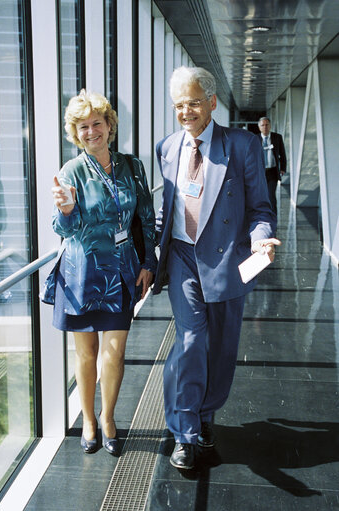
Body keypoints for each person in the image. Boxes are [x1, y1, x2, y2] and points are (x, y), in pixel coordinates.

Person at [152, 66, 281, 470]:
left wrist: (261, 237)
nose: (185, 111)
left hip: (227, 260)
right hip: (183, 257)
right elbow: (167, 210)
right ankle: (185, 430)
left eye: (192, 102)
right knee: (191, 341)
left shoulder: (241, 145)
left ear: (211, 102)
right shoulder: (167, 147)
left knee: (221, 350)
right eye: (178, 105)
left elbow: (261, 208)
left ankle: (205, 414)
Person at [41, 90, 157, 455]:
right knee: (87, 354)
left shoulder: (132, 166)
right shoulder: (71, 171)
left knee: (115, 352)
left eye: (97, 123)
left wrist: (148, 262)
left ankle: (108, 417)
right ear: (76, 133)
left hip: (121, 270)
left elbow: (146, 217)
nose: (91, 131)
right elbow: (63, 230)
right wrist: (66, 209)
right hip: (81, 273)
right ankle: (88, 419)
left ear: (109, 125)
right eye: (83, 126)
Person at [257, 116, 287, 214]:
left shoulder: (277, 137)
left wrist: (283, 168)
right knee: (260, 196)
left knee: (271, 195)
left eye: (267, 125)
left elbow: (282, 153)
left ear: (270, 126)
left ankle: (273, 217)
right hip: (260, 173)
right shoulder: (255, 139)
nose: (265, 127)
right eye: (262, 125)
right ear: (259, 127)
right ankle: (262, 216)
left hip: (272, 171)